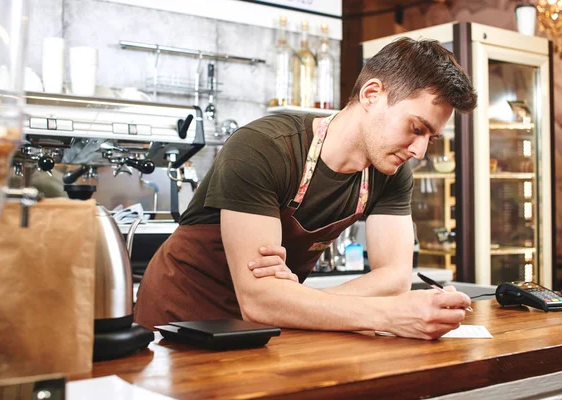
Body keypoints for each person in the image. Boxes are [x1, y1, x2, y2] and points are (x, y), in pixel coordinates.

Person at [134, 37, 477, 340]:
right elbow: (259, 300)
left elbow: (395, 278)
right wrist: (390, 315)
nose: (420, 151)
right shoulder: (264, 147)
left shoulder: (390, 171)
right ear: (372, 94)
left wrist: (297, 303)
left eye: (430, 137)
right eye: (416, 128)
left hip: (268, 333)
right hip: (180, 323)